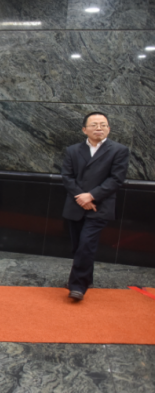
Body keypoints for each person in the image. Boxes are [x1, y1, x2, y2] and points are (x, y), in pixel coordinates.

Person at [61, 112, 129, 301]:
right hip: (76, 205)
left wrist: (91, 196)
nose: (99, 128)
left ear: (108, 128)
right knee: (78, 246)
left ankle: (77, 286)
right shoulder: (73, 150)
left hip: (100, 206)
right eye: (94, 125)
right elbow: (67, 177)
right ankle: (86, 278)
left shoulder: (119, 150)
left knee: (86, 245)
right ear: (84, 129)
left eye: (103, 125)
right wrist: (81, 197)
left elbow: (116, 179)